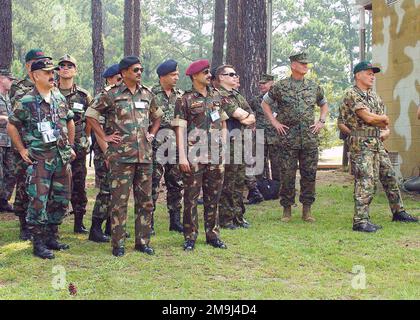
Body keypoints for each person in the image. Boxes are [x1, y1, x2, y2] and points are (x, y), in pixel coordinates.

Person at [172, 59, 255, 251]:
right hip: (194, 156)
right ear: (194, 76)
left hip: (216, 156)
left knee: (214, 197)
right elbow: (179, 130)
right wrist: (182, 157)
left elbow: (223, 123)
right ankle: (190, 236)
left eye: (209, 72)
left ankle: (213, 234)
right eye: (205, 73)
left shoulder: (217, 96)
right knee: (191, 199)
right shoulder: (184, 100)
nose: (209, 75)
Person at [86, 56, 163, 257]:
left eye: (141, 69)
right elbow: (91, 114)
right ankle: (118, 243)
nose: (139, 73)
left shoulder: (147, 93)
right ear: (124, 73)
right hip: (121, 157)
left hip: (144, 156)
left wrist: (152, 133)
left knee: (146, 201)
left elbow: (158, 115)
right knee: (119, 202)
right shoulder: (111, 94)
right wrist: (105, 136)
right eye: (135, 70)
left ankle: (143, 242)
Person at [7, 59, 76, 259]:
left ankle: (51, 237)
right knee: (38, 201)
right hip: (39, 159)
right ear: (36, 75)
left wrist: (69, 146)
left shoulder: (58, 97)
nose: (52, 75)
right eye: (47, 72)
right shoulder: (27, 100)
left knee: (61, 199)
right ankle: (38, 242)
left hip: (60, 158)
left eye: (52, 72)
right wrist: (22, 150)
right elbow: (12, 126)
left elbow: (70, 120)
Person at [338, 61, 418, 232]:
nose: (372, 76)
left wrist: (386, 130)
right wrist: (382, 120)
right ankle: (360, 221)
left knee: (389, 176)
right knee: (366, 180)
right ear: (358, 75)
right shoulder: (351, 94)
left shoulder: (374, 96)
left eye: (373, 74)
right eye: (369, 73)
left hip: (377, 143)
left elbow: (383, 123)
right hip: (361, 145)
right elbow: (369, 118)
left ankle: (398, 212)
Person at [262, 52, 329, 223]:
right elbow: (265, 103)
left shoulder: (314, 87)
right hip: (287, 138)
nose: (306, 66)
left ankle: (307, 210)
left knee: (309, 174)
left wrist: (321, 121)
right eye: (302, 63)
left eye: (307, 64)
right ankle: (287, 209)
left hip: (309, 137)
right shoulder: (280, 86)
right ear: (293, 65)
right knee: (287, 174)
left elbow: (323, 104)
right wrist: (275, 123)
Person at [9, 49, 52, 240]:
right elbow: (16, 117)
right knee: (24, 184)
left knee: (41, 186)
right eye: (38, 61)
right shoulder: (18, 87)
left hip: (44, 146)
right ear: (28, 65)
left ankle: (42, 224)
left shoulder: (49, 84)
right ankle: (23, 224)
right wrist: (21, 148)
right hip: (24, 144)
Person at [57, 54, 93, 234]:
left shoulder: (83, 95)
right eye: (62, 65)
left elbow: (90, 119)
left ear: (75, 70)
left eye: (69, 65)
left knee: (78, 185)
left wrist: (86, 137)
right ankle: (51, 224)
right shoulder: (50, 91)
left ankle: (78, 222)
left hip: (77, 147)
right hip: (54, 146)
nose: (65, 68)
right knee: (54, 184)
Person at [217, 65, 256, 229]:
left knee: (240, 181)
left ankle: (238, 216)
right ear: (221, 77)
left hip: (240, 142)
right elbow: (238, 115)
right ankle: (226, 219)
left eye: (235, 74)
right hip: (228, 144)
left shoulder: (237, 95)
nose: (235, 77)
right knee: (228, 182)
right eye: (231, 74)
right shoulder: (220, 95)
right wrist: (244, 118)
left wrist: (245, 118)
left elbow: (251, 116)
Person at [89, 64, 122, 243]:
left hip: (120, 152)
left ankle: (111, 226)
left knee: (117, 191)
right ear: (109, 79)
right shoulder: (104, 97)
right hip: (105, 152)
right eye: (117, 78)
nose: (120, 81)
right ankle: (95, 228)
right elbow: (97, 128)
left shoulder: (121, 96)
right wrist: (107, 152)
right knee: (106, 190)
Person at [151, 59, 184, 234]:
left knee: (176, 183)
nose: (176, 77)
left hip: (176, 145)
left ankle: (175, 220)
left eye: (177, 74)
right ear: (162, 76)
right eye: (173, 74)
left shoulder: (180, 95)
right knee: (152, 183)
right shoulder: (151, 94)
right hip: (156, 145)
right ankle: (148, 223)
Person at [0, 68, 17, 213]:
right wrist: (5, 119)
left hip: (8, 142)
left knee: (11, 172)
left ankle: (3, 201)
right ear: (1, 78)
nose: (12, 82)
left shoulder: (7, 98)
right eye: (9, 79)